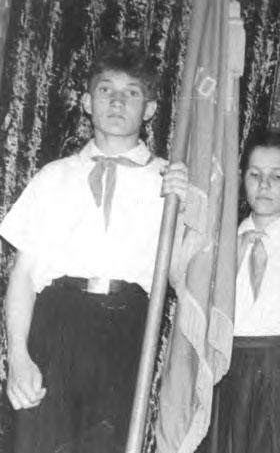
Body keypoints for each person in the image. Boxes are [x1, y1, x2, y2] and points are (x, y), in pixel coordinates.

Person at [0, 42, 188, 453]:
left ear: (150, 109)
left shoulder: (172, 184)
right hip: (57, 324)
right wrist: (18, 356)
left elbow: (183, 278)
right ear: (87, 102)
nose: (117, 101)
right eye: (106, 90)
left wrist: (191, 210)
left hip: (128, 326)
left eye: (132, 92)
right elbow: (24, 275)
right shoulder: (53, 176)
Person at [204, 128, 280, 453]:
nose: (264, 185)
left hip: (275, 365)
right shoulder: (220, 242)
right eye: (254, 174)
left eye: (277, 176)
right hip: (224, 362)